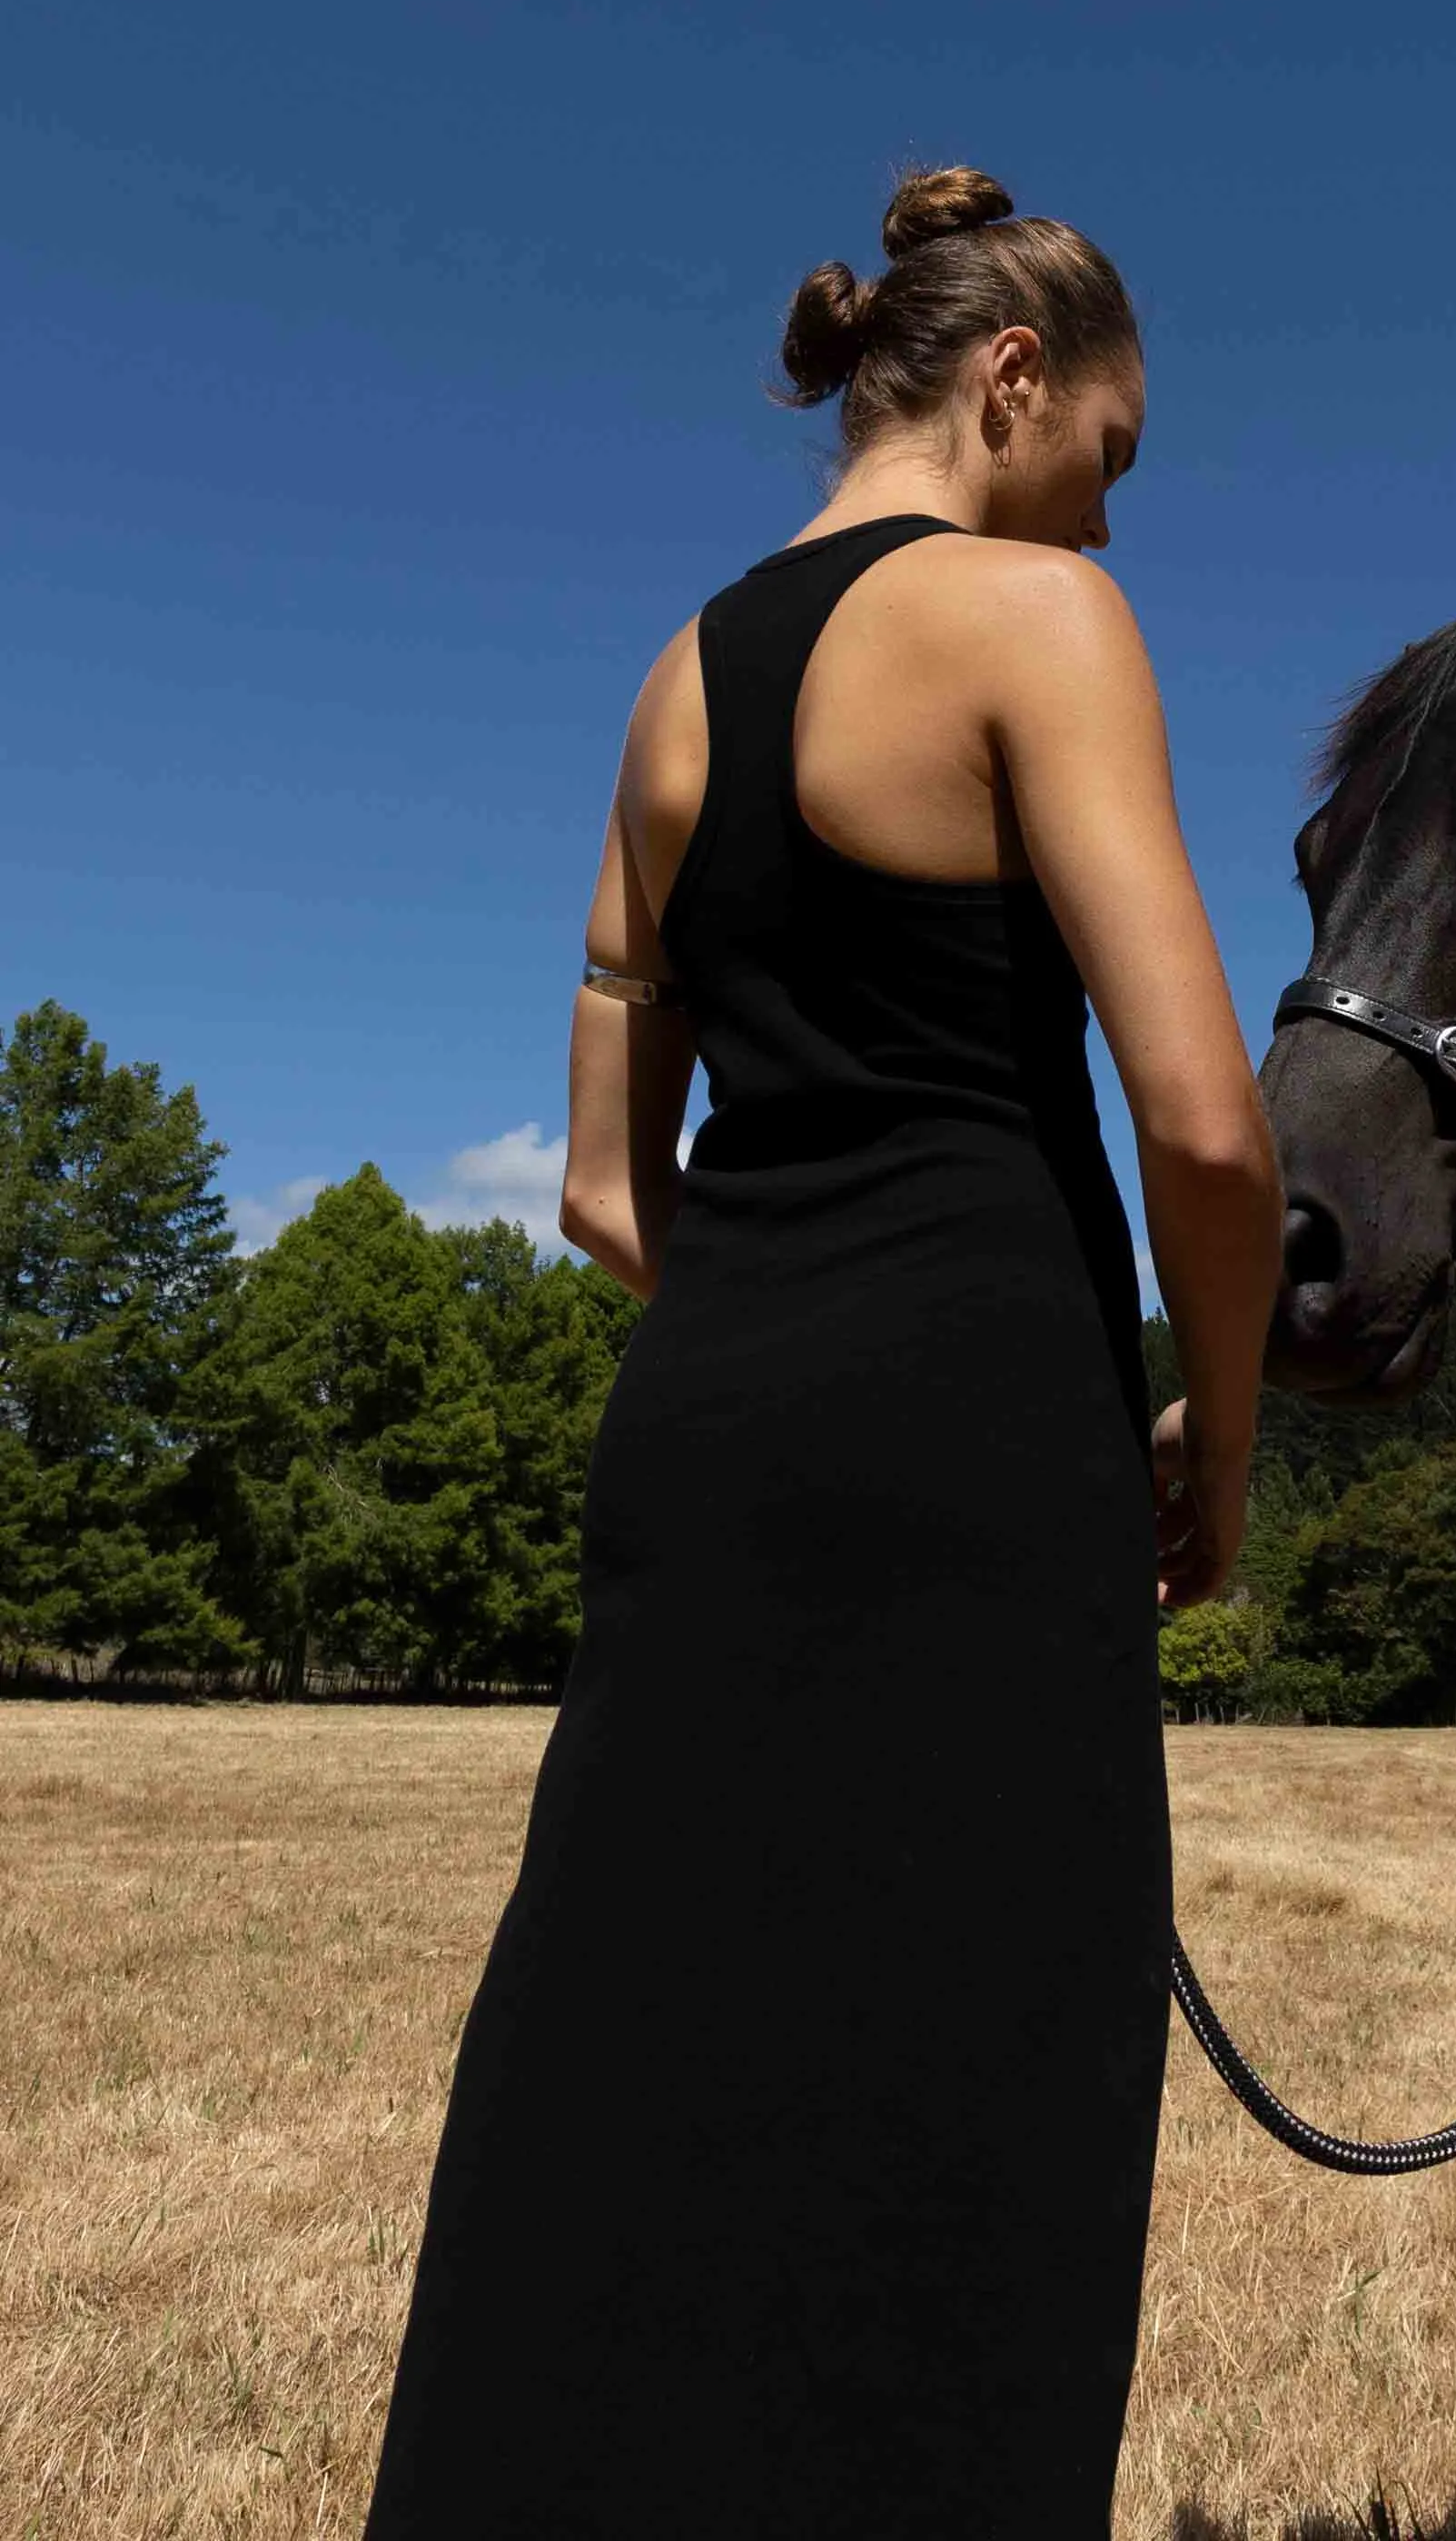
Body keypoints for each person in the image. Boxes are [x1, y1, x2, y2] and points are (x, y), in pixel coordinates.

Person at [361, 164, 1283, 2538]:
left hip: (706, 1425)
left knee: (638, 2065)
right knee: (967, 2090)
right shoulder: (1032, 617)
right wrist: (1228, 1449)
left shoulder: (676, 680)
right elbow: (1204, 1125)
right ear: (1012, 384)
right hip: (982, 1417)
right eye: (1117, 443)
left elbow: (596, 1182)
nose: (1117, 495)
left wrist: (765, 1319)